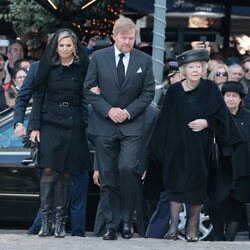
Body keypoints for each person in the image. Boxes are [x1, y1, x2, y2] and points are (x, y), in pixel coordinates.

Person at [148, 49, 242, 242]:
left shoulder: (210, 89)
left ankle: (192, 228)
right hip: (175, 147)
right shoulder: (173, 91)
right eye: (191, 67)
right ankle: (173, 228)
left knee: (197, 188)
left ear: (204, 69)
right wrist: (158, 150)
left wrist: (207, 123)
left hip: (200, 147)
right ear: (183, 70)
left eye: (199, 67)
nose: (195, 70)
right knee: (174, 186)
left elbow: (222, 116)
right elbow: (163, 120)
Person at [84, 16, 155, 240]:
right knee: (107, 177)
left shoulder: (143, 60)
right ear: (114, 36)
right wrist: (108, 110)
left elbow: (148, 93)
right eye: (124, 38)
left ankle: (127, 220)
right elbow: (88, 89)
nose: (128, 43)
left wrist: (127, 112)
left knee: (127, 169)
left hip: (132, 125)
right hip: (105, 125)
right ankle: (111, 224)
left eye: (131, 38)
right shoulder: (98, 57)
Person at [29, 28, 92, 238]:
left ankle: (59, 221)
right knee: (48, 171)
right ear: (55, 47)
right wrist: (34, 127)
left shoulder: (82, 66)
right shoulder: (47, 66)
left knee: (67, 173)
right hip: (50, 121)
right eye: (61, 45)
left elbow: (89, 93)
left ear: (75, 47)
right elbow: (38, 97)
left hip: (74, 122)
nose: (65, 49)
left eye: (68, 45)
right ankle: (45, 221)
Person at [208, 81, 250, 241]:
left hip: (242, 170)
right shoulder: (216, 116)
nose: (231, 99)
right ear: (223, 97)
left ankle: (228, 241)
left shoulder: (248, 117)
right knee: (215, 206)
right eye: (228, 96)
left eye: (235, 96)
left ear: (240, 99)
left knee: (237, 207)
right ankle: (219, 239)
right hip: (220, 168)